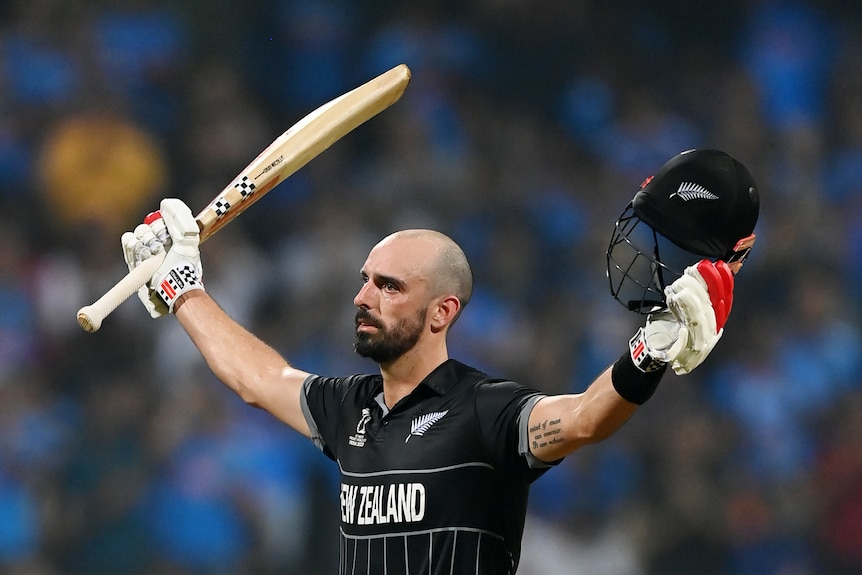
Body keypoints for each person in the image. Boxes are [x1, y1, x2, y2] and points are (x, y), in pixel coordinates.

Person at [120, 148, 759, 574]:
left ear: (442, 312)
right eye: (366, 280)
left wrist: (647, 355)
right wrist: (183, 290)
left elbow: (586, 419)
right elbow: (257, 380)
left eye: (390, 287)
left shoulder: (485, 411)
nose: (362, 297)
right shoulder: (350, 411)